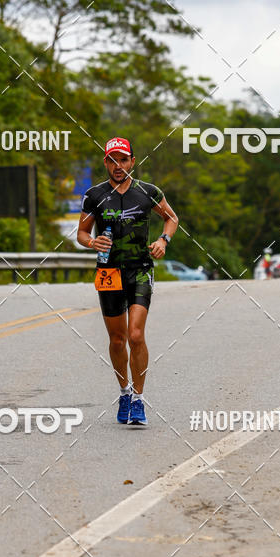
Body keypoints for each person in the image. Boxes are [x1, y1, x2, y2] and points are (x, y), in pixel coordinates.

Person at [77, 137, 178, 426]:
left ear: (133, 161)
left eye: (123, 160)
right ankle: (123, 392)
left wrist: (163, 239)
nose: (118, 165)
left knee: (135, 335)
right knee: (117, 339)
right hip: (108, 272)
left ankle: (138, 399)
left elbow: (171, 218)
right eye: (112, 160)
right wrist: (91, 241)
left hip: (140, 270)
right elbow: (82, 234)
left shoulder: (148, 192)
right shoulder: (94, 195)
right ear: (106, 162)